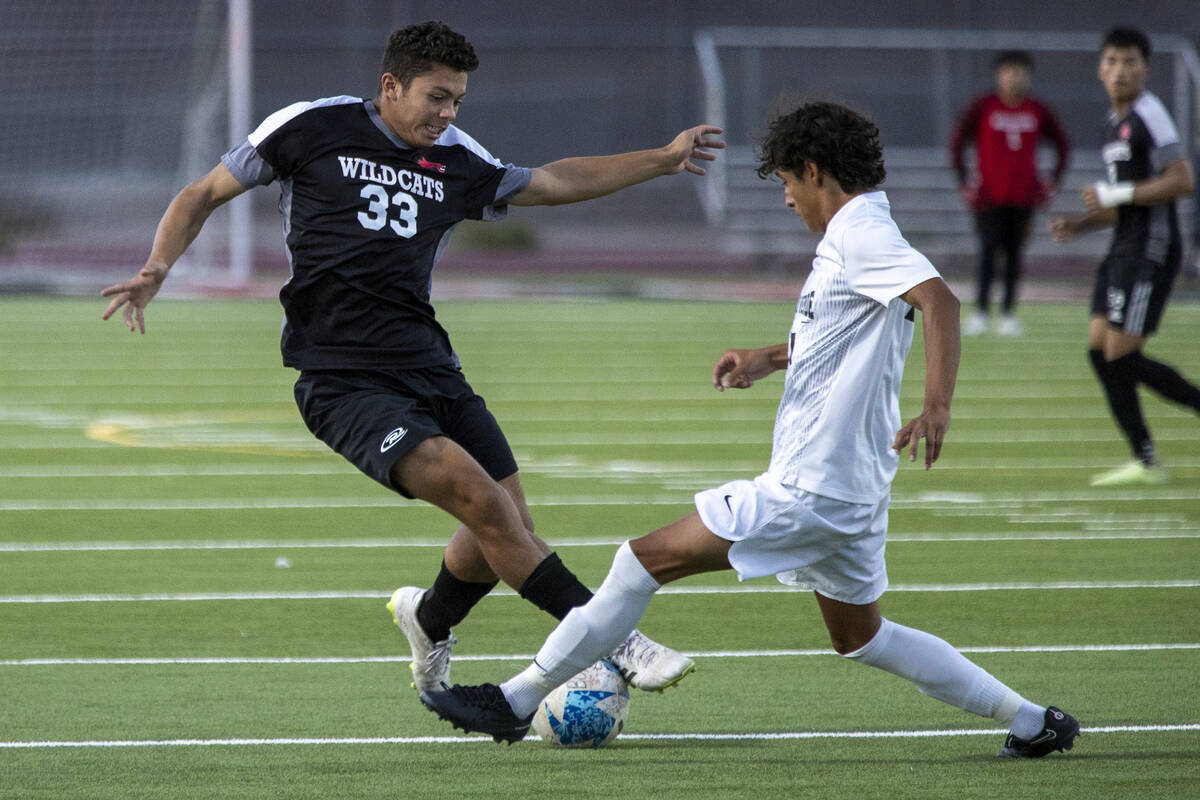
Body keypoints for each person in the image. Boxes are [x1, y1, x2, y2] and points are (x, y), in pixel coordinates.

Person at [420, 101, 1080, 759]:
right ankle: (1031, 721)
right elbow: (837, 333)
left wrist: (937, 406)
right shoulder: (852, 237)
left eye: (789, 184)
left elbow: (939, 300)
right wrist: (767, 358)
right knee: (861, 637)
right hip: (847, 492)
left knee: (638, 561)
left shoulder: (861, 234)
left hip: (811, 487)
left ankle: (515, 700)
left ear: (816, 172)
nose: (789, 201)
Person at [100, 21, 724, 695]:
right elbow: (202, 193)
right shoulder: (311, 127)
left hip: (429, 367)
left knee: (506, 527)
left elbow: (551, 182)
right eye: (436, 96)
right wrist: (158, 266)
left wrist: (660, 159)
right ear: (391, 86)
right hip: (343, 381)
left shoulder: (458, 158)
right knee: (486, 507)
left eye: (457, 99)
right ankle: (615, 640)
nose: (448, 113)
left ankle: (428, 620)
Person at [1049, 26, 1200, 487]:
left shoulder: (1150, 113)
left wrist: (1114, 192)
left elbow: (1181, 180)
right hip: (1123, 246)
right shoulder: (1113, 123)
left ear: (1145, 70)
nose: (1120, 70)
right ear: (1100, 68)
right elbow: (1126, 202)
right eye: (1112, 61)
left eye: (1130, 62)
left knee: (1121, 356)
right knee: (1100, 352)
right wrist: (1082, 223)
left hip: (1151, 249)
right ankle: (1145, 459)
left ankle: (1150, 455)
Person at [950, 50, 1071, 337]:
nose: (1014, 77)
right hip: (989, 198)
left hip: (1023, 199)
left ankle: (1007, 313)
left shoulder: (1037, 110)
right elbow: (957, 142)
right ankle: (980, 312)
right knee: (988, 254)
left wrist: (1051, 183)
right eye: (1009, 71)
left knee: (1015, 256)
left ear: (1028, 76)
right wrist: (965, 182)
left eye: (1020, 71)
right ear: (998, 75)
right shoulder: (983, 107)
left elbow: (1063, 145)